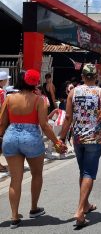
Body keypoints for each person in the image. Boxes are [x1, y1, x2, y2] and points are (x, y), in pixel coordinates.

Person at [0, 69, 67, 229]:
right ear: (35, 83)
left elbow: (2, 123)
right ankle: (34, 208)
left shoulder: (9, 98)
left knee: (15, 180)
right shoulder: (39, 100)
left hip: (11, 138)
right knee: (36, 174)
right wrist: (57, 142)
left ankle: (14, 217)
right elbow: (44, 125)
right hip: (31, 139)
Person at [60, 64, 101, 228]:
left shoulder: (73, 92)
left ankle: (86, 204)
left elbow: (68, 117)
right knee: (89, 172)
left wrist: (61, 138)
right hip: (94, 139)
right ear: (96, 76)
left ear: (82, 76)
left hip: (78, 138)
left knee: (83, 171)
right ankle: (80, 210)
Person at [0, 71, 11, 172]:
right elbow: (4, 107)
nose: (7, 81)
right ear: (2, 81)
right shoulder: (2, 92)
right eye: (6, 79)